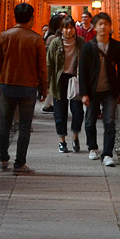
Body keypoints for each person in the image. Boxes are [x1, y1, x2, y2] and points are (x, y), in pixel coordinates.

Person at [0, 2, 47, 174]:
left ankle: (3, 158)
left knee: (5, 123)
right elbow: (42, 67)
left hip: (7, 84)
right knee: (24, 126)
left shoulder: (4, 36)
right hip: (28, 87)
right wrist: (44, 89)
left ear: (15, 17)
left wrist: (1, 79)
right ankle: (19, 164)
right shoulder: (36, 39)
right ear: (31, 19)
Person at [77, 11, 120, 166]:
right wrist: (84, 93)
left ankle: (107, 154)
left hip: (110, 90)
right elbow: (82, 71)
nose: (103, 27)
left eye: (106, 24)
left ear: (110, 27)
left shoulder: (116, 46)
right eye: (100, 24)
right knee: (90, 120)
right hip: (92, 90)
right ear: (95, 28)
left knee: (109, 121)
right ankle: (92, 148)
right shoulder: (87, 47)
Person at [46, 16, 86, 153]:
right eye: (65, 27)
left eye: (70, 27)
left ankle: (75, 137)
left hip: (75, 79)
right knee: (60, 112)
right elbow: (49, 64)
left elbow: (86, 61)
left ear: (74, 28)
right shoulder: (55, 43)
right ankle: (62, 141)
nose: (68, 31)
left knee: (77, 111)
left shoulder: (80, 42)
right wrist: (46, 83)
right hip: (59, 80)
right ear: (61, 29)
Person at [41, 12, 66, 113]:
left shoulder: (49, 35)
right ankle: (50, 105)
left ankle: (48, 104)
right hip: (53, 64)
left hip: (51, 64)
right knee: (54, 85)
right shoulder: (53, 37)